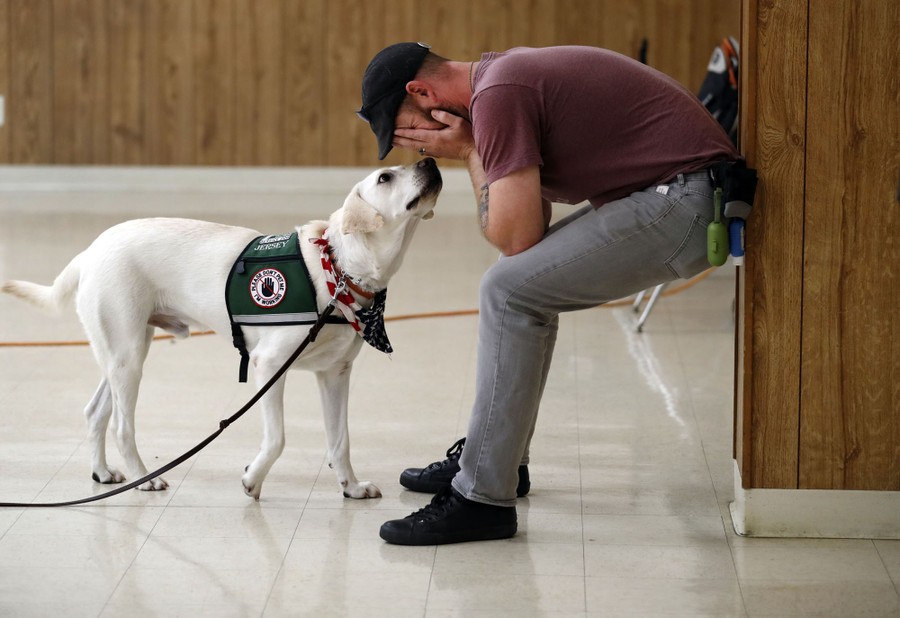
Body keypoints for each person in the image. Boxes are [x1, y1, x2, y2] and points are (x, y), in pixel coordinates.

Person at [356, 42, 740, 545]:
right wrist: (477, 148)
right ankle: (500, 461)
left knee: (507, 289)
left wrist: (471, 151)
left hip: (688, 200)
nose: (418, 146)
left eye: (409, 130)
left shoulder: (498, 96)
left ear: (423, 93)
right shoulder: (499, 85)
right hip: (686, 193)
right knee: (518, 279)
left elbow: (513, 234)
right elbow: (528, 232)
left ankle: (481, 499)